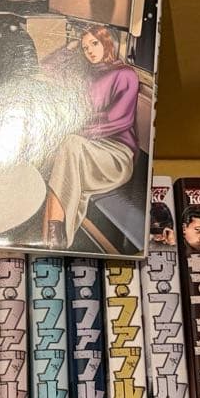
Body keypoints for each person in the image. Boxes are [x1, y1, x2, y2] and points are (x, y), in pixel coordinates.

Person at [42, 24, 139, 247]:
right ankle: (54, 238)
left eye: (94, 43)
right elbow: (47, 67)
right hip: (85, 152)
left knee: (70, 144)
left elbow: (117, 120)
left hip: (115, 156)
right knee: (65, 156)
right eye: (85, 48)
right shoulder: (86, 74)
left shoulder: (125, 74)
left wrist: (76, 131)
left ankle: (54, 235)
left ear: (106, 42)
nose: (90, 51)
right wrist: (70, 46)